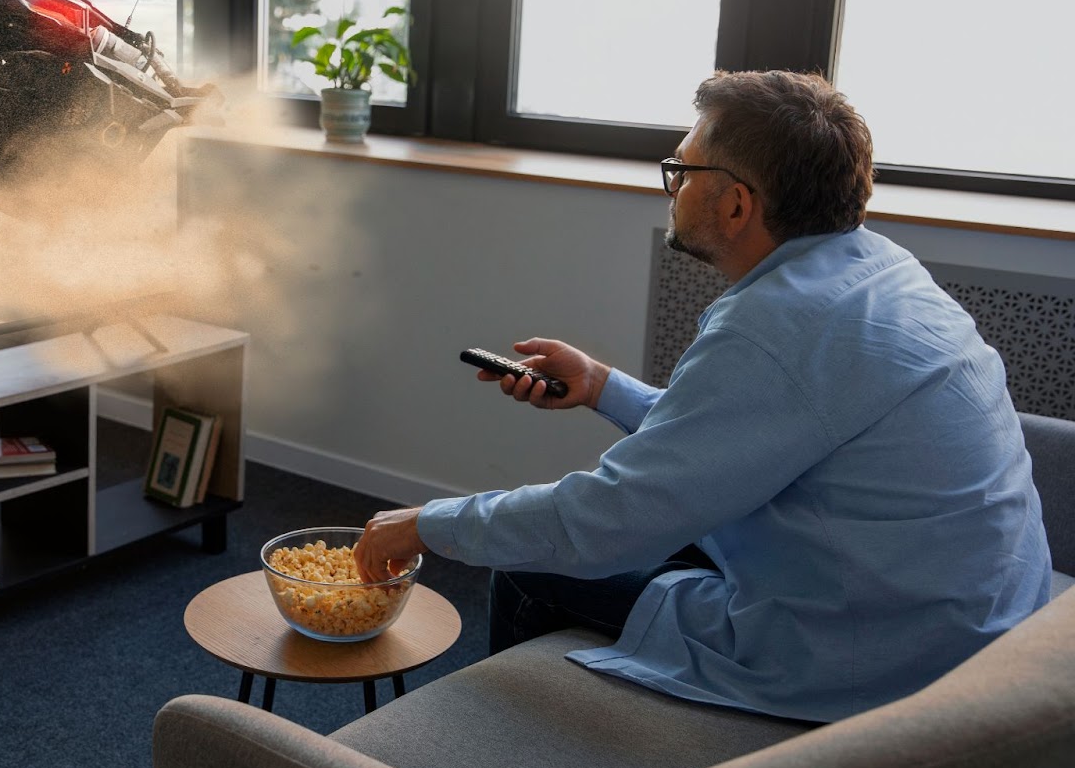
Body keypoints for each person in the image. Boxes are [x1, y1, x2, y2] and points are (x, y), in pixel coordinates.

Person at [353, 69, 1052, 723]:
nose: (672, 184)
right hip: (978, 616)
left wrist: (427, 523)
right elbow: (729, 443)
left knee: (529, 567)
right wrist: (602, 386)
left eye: (681, 170)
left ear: (737, 203)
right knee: (666, 536)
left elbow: (604, 520)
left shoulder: (773, 327)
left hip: (888, 654)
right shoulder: (879, 270)